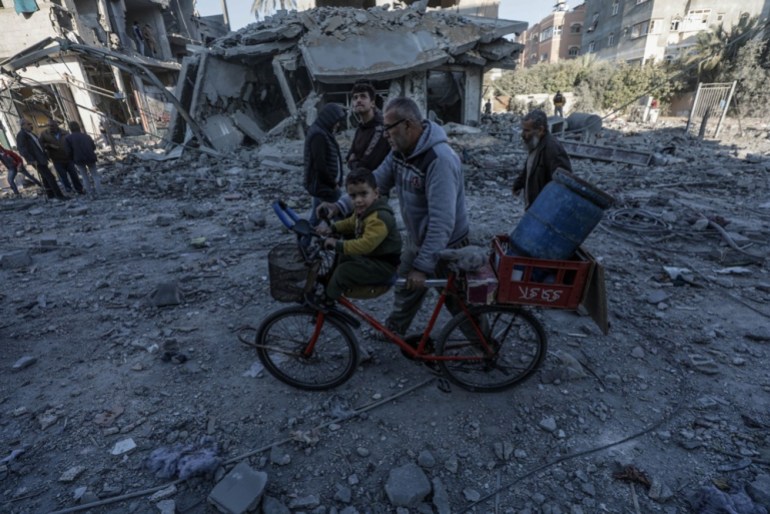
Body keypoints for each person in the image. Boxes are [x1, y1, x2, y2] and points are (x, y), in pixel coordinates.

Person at [320, 97, 470, 338]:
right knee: (405, 289)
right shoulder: (400, 152)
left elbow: (442, 222)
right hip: (417, 238)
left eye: (388, 128)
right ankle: (395, 331)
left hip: (446, 244)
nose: (384, 135)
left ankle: (486, 348)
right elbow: (375, 182)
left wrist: (423, 267)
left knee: (457, 301)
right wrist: (339, 207)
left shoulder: (439, 159)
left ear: (408, 125)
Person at [316, 168, 402, 302]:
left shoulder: (379, 218)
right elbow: (351, 223)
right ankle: (333, 283)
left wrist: (337, 244)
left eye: (363, 194)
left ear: (376, 193)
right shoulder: (364, 211)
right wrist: (332, 228)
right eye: (353, 196)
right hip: (373, 258)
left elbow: (365, 245)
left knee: (343, 272)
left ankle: (327, 300)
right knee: (344, 256)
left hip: (384, 266)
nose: (358, 200)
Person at [513, 109, 573, 210]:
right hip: (534, 206)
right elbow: (529, 169)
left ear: (540, 130)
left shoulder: (552, 149)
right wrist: (518, 184)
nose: (523, 134)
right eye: (523, 130)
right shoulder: (535, 143)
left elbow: (563, 184)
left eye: (527, 130)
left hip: (545, 209)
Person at [304, 102, 346, 232]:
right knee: (341, 214)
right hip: (325, 186)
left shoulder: (322, 132)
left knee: (315, 217)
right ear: (329, 119)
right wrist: (333, 183)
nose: (337, 125)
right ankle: (343, 245)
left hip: (320, 185)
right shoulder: (319, 135)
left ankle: (304, 245)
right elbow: (320, 165)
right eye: (336, 121)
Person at [15, 119, 67, 200]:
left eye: (30, 124)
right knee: (50, 177)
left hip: (41, 158)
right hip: (36, 160)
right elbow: (22, 150)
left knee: (45, 177)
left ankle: (50, 195)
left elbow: (38, 145)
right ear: (23, 125)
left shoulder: (30, 134)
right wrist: (31, 159)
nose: (30, 125)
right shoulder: (21, 135)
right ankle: (59, 196)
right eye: (28, 124)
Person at [346, 80, 391, 172]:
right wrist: (352, 160)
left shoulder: (380, 129)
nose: (358, 100)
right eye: (355, 98)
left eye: (363, 96)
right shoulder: (361, 127)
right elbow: (349, 156)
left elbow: (368, 164)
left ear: (372, 103)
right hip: (359, 181)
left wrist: (353, 161)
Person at [39, 119, 84, 194]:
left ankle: (79, 189)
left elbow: (71, 143)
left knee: (74, 175)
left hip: (68, 158)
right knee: (63, 177)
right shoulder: (44, 134)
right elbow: (40, 145)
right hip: (57, 159)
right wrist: (48, 145)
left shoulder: (65, 132)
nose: (50, 127)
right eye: (49, 126)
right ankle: (69, 189)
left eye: (52, 126)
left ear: (56, 125)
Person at [65, 121, 102, 197]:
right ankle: (100, 192)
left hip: (78, 159)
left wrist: (72, 159)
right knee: (95, 175)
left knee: (85, 177)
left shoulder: (68, 138)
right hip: (90, 157)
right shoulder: (87, 136)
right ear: (79, 127)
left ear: (70, 129)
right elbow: (93, 147)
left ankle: (90, 193)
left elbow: (68, 151)